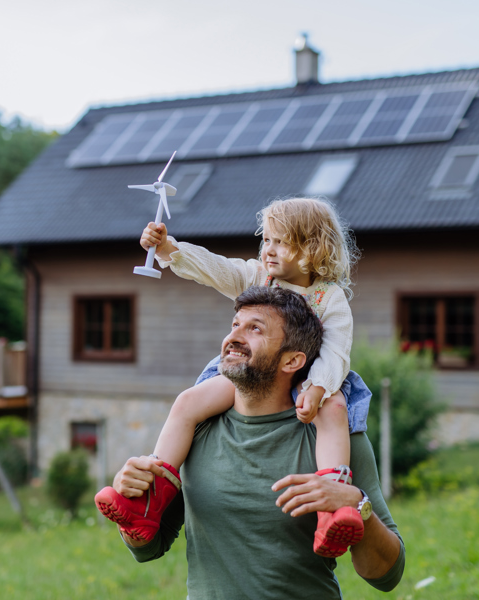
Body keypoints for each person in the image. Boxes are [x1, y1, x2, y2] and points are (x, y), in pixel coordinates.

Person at [96, 197, 372, 557]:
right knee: (188, 402)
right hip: (253, 372)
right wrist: (169, 248)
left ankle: (331, 508)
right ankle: (151, 496)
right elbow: (216, 268)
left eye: (281, 241)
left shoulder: (329, 298)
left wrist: (318, 386)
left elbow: (336, 349)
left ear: (312, 248)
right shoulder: (258, 275)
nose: (269, 250)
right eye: (267, 240)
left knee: (334, 410)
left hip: (310, 377)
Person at [108, 286, 405, 599]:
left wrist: (356, 504)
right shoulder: (196, 429)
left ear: (292, 361)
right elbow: (149, 547)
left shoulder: (334, 440)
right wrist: (132, 492)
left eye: (255, 329)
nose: (234, 337)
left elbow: (387, 576)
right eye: (235, 325)